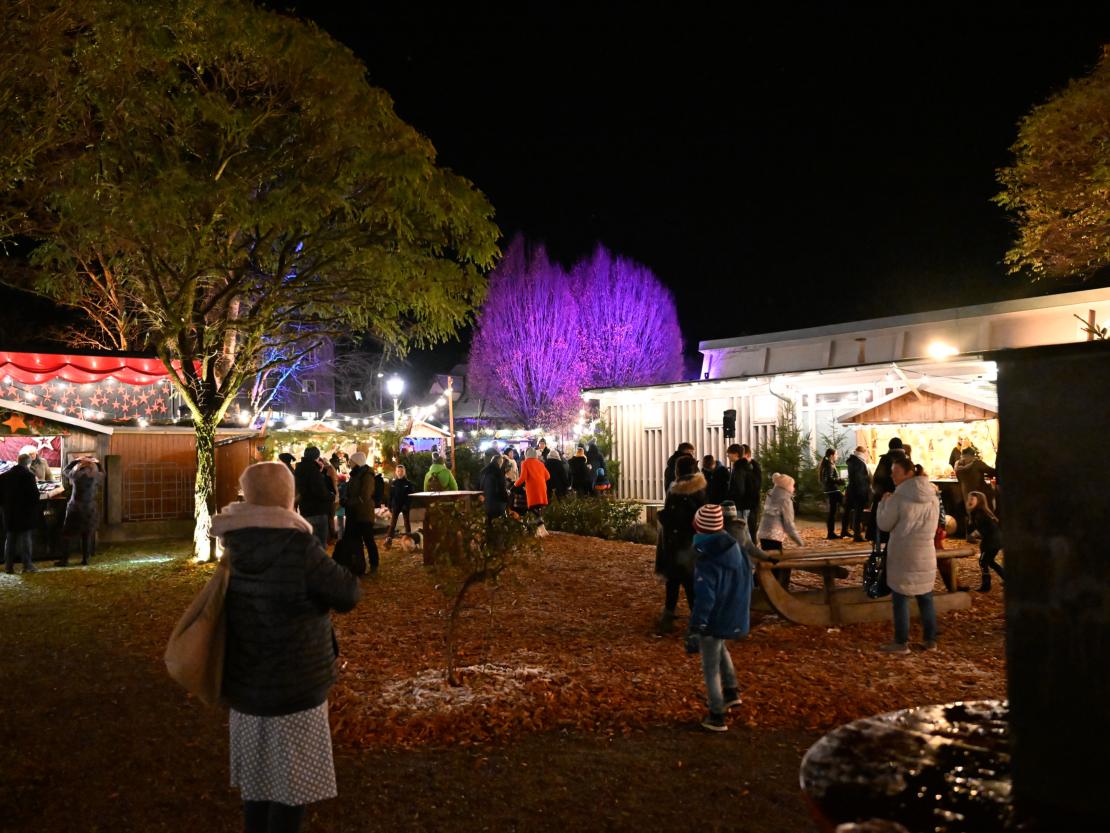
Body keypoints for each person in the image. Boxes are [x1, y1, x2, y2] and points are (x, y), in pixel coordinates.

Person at [213, 460, 361, 833]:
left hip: (246, 684)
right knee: (291, 790)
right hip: (297, 684)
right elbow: (347, 593)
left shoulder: (234, 543)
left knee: (257, 788)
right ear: (288, 496)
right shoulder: (298, 546)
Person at [686, 503, 753, 732]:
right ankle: (732, 691)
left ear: (699, 528)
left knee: (710, 666)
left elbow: (705, 599)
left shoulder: (707, 560)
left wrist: (697, 626)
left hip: (714, 617)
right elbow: (748, 582)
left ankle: (717, 714)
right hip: (734, 613)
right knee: (720, 648)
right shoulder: (736, 549)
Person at [876, 457, 940, 653]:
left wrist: (882, 504)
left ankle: (901, 642)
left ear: (908, 474)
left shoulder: (897, 498)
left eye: (896, 472)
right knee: (925, 597)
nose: (892, 476)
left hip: (903, 553)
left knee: (901, 598)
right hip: (926, 552)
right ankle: (930, 640)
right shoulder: (933, 498)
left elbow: (884, 524)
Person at [654, 455, 706, 635]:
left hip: (678, 541)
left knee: (675, 580)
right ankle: (697, 621)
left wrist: (663, 517)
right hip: (696, 540)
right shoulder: (701, 487)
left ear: (678, 470)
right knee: (691, 582)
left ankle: (670, 618)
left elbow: (675, 518)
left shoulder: (676, 491)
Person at [756, 473, 805, 588]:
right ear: (786, 487)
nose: (793, 488)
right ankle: (775, 588)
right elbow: (789, 524)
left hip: (763, 532)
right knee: (777, 563)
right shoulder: (785, 500)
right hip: (774, 534)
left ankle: (761, 583)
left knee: (769, 559)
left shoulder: (771, 494)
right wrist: (799, 542)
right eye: (792, 486)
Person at [56, 456, 104, 566]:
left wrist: (76, 461)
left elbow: (65, 470)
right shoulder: (95, 476)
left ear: (80, 466)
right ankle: (85, 559)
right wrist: (98, 463)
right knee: (86, 534)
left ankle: (65, 560)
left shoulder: (76, 476)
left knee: (67, 534)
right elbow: (103, 472)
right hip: (90, 508)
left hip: (75, 508)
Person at [2, 453, 42, 574]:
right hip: (25, 513)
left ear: (17, 461)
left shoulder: (4, 476)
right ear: (28, 463)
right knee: (25, 540)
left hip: (9, 513)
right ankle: (27, 566)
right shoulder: (29, 476)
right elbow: (35, 496)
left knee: (10, 540)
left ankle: (8, 566)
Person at [343, 452, 380, 575]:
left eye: (352, 461)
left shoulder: (366, 475)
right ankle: (359, 565)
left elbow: (365, 495)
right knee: (357, 541)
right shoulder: (355, 474)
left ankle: (374, 564)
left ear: (357, 462)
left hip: (364, 513)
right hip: (355, 513)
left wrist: (349, 502)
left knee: (368, 539)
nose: (350, 463)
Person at [869, 438, 906, 542]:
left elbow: (877, 478)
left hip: (884, 497)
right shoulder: (905, 460)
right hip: (901, 498)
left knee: (881, 527)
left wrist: (879, 493)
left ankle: (879, 549)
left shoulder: (885, 459)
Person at [967, 490, 1004, 593]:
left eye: (972, 499)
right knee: (990, 561)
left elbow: (984, 527)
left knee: (983, 562)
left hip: (991, 542)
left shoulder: (979, 512)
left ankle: (986, 586)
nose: (969, 501)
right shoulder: (980, 511)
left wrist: (974, 534)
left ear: (979, 501)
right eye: (969, 498)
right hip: (995, 540)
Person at [293, 447, 332, 547]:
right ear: (317, 457)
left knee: (309, 543)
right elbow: (319, 490)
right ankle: (319, 562)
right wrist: (331, 496)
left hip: (305, 509)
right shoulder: (312, 469)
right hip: (317, 509)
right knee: (320, 544)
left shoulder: (299, 468)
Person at [955, 447, 998, 515]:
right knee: (994, 493)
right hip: (980, 495)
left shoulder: (957, 466)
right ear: (972, 456)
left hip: (966, 496)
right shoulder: (977, 464)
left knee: (972, 515)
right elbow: (993, 472)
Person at [844, 446, 871, 542]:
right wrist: (867, 482)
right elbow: (860, 479)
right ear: (862, 453)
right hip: (859, 491)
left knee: (855, 513)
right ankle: (857, 535)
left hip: (853, 490)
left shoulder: (853, 461)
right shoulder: (859, 463)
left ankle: (853, 533)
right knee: (858, 513)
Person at [818, 448, 846, 539]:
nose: (837, 456)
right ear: (831, 455)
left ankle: (831, 533)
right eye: (836, 454)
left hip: (830, 490)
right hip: (833, 490)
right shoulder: (829, 465)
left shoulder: (827, 464)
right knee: (847, 506)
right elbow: (829, 478)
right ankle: (841, 531)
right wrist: (840, 481)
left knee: (832, 512)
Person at [515, 448, 550, 519]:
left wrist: (515, 484)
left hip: (532, 488)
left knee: (532, 507)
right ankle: (539, 526)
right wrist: (540, 480)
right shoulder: (541, 463)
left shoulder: (525, 463)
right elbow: (548, 476)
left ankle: (540, 525)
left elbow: (522, 478)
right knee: (538, 507)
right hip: (542, 488)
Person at [385, 464, 415, 544]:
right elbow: (390, 495)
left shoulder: (408, 483)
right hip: (396, 506)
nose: (400, 473)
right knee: (393, 523)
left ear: (404, 472)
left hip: (405, 506)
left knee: (406, 522)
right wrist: (389, 506)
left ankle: (409, 538)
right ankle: (389, 538)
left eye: (401, 471)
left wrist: (407, 505)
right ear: (396, 472)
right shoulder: (393, 483)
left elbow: (410, 496)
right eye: (398, 471)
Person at [480, 452, 509, 521]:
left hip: (486, 503)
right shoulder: (498, 473)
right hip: (497, 504)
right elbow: (502, 489)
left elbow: (480, 485)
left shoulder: (484, 471)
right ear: (499, 463)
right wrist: (507, 500)